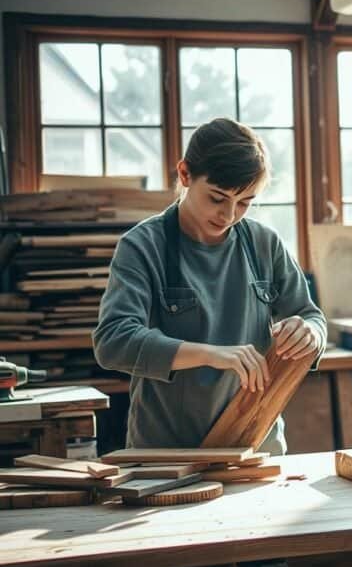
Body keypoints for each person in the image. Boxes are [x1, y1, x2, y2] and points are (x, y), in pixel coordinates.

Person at [93, 117, 327, 456]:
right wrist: (208, 354)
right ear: (185, 174)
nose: (229, 214)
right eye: (217, 197)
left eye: (245, 201)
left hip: (257, 448)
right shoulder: (142, 245)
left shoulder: (265, 243)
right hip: (166, 453)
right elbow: (113, 340)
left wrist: (310, 332)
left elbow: (311, 315)